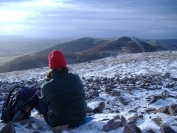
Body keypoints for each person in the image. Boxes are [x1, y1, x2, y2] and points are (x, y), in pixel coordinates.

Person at [35, 50, 87, 127]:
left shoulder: (47, 86)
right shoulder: (76, 78)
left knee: (37, 95)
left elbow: (44, 100)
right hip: (80, 118)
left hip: (58, 122)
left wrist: (47, 81)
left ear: (51, 66)